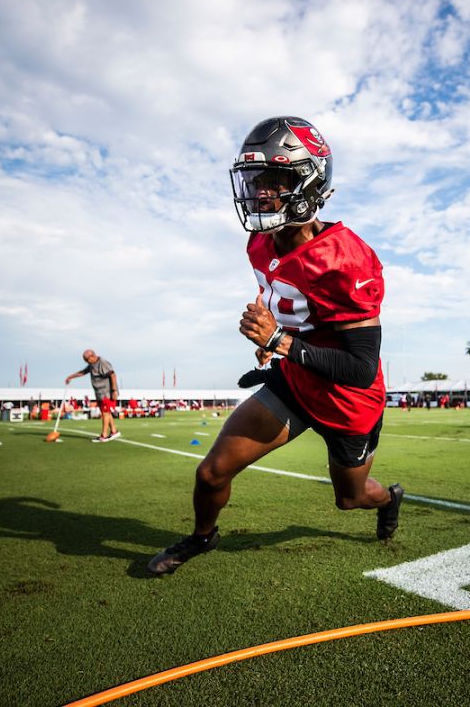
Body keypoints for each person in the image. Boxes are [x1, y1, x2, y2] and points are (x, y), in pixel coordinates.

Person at [148, 116, 402, 576]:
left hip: (349, 400)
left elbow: (361, 367)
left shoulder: (347, 258)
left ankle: (390, 498)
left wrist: (278, 340)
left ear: (308, 182)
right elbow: (285, 303)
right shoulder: (260, 242)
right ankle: (203, 537)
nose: (260, 192)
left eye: (275, 180)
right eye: (256, 180)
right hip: (296, 380)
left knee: (352, 499)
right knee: (211, 473)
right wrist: (273, 342)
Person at [66, 350, 120, 442]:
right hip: (99, 393)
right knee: (106, 412)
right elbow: (83, 372)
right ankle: (114, 431)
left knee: (105, 413)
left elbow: (113, 375)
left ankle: (104, 435)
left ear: (93, 356)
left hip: (107, 392)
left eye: (87, 360)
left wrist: (114, 390)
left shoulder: (102, 363)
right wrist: (70, 377)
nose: (87, 362)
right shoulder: (91, 365)